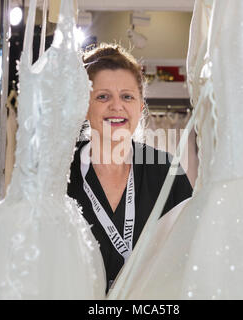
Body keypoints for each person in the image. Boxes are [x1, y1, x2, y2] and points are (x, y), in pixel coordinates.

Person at [67, 43, 193, 292]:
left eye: (127, 96)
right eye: (103, 96)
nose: (117, 106)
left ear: (140, 105)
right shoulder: (62, 173)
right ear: (83, 105)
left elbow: (186, 254)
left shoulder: (166, 171)